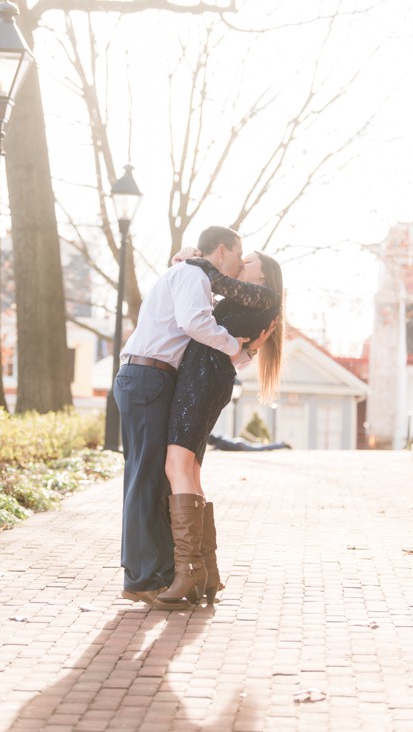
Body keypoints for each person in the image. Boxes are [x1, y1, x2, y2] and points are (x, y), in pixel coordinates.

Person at [114, 226, 271, 610]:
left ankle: (175, 571)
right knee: (145, 478)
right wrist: (238, 350)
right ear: (223, 250)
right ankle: (143, 578)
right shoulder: (193, 275)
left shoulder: (193, 274)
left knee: (153, 477)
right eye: (239, 255)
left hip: (152, 378)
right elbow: (195, 323)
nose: (238, 264)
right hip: (149, 377)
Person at [157, 251, 284, 607]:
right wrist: (187, 261)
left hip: (202, 382)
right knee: (191, 471)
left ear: (263, 274)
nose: (242, 262)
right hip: (206, 379)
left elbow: (218, 282)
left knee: (176, 467)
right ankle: (206, 571)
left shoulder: (267, 296)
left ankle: (190, 570)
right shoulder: (248, 299)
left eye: (249, 260)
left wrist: (197, 261)